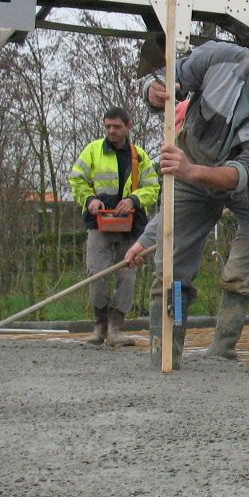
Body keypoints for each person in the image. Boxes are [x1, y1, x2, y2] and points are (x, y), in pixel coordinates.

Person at [124, 41, 249, 372]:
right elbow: (168, 77)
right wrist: (155, 90)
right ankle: (164, 359)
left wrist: (193, 170)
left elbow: (248, 172)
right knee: (171, 268)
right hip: (191, 167)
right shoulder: (218, 59)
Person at [69, 108, 160, 347]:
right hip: (98, 224)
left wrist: (133, 200)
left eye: (116, 127)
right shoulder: (92, 151)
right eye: (108, 126)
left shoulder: (139, 156)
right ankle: (99, 325)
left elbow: (153, 187)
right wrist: (89, 200)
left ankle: (117, 327)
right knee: (96, 273)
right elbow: (76, 179)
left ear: (128, 126)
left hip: (131, 227)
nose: (111, 131)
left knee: (127, 276)